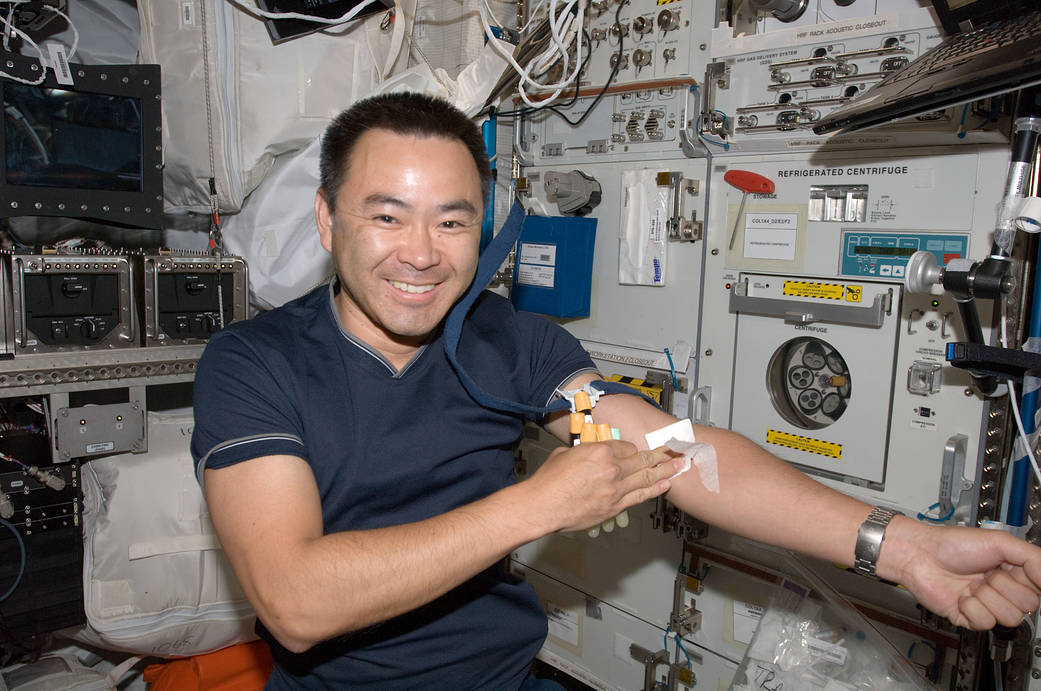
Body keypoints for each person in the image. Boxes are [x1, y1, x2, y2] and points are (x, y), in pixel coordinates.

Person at [192, 91, 1041, 690]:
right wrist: (532, 506)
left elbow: (678, 453)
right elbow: (296, 601)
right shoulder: (253, 365)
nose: (421, 252)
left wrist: (898, 546)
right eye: (386, 215)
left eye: (451, 220)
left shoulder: (508, 344)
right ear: (325, 220)